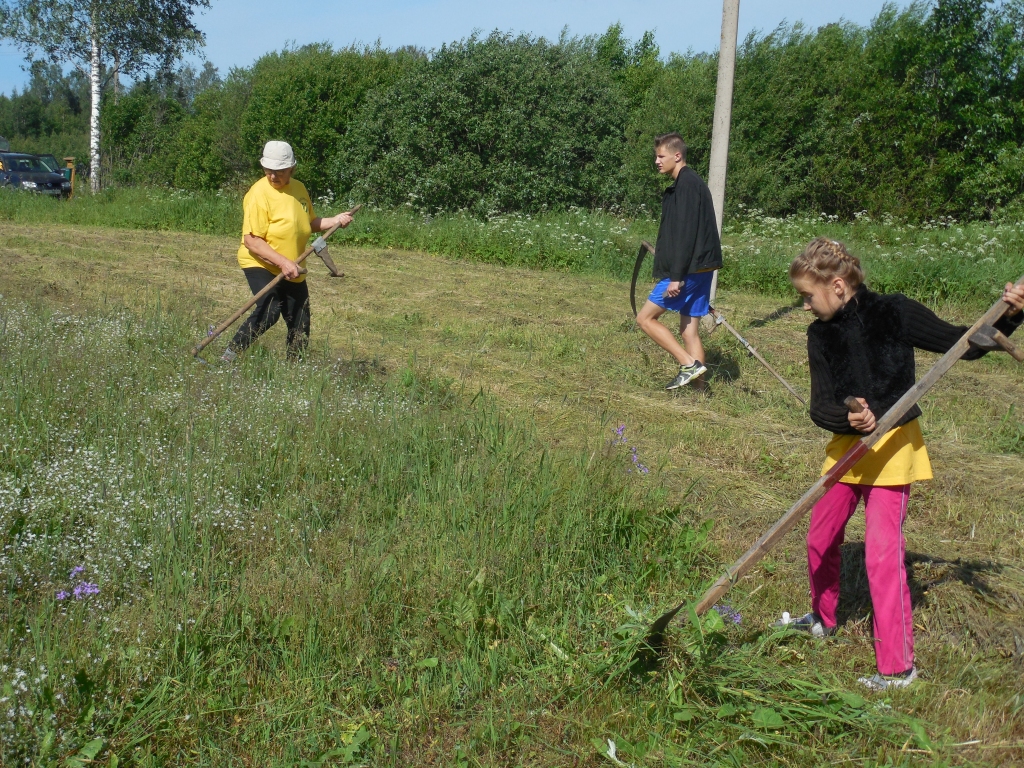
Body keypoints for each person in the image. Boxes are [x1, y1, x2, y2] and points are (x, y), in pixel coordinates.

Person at [779, 237, 1024, 690]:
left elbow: (963, 344)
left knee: (880, 557)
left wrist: (1011, 314)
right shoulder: (820, 333)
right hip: (848, 450)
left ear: (837, 285)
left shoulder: (894, 312)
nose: (805, 305)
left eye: (807, 295)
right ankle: (823, 618)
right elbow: (820, 406)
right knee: (820, 537)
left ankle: (897, 668)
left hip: (893, 450)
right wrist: (850, 417)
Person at [221, 140, 354, 363]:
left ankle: (295, 369)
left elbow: (309, 222)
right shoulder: (258, 194)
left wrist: (336, 220)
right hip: (260, 262)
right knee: (270, 309)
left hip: (292, 265)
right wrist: (282, 262)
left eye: (280, 171)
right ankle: (228, 357)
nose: (273, 176)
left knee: (300, 318)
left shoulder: (299, 189)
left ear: (292, 169)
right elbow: (252, 240)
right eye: (269, 171)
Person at [635, 133, 723, 390]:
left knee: (645, 319)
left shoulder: (686, 185)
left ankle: (687, 363)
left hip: (689, 270)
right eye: (656, 156)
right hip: (701, 268)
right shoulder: (690, 182)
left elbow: (685, 233)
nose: (656, 161)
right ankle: (699, 391)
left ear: (677, 155)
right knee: (689, 331)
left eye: (661, 156)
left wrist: (676, 276)